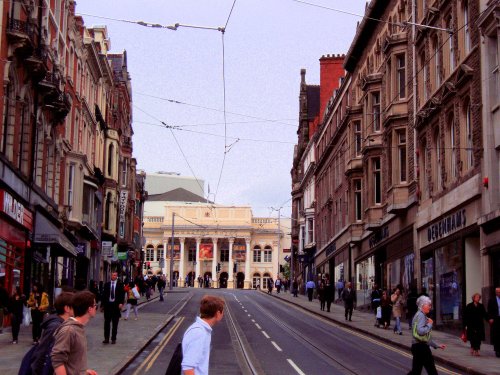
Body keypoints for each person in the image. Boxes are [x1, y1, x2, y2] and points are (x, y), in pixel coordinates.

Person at [51, 290, 98, 375]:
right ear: (89, 309)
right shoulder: (69, 330)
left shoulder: (78, 328)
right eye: (95, 305)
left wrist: (83, 372)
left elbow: (72, 360)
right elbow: (57, 360)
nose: (96, 307)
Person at [31, 292, 74, 374]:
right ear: (67, 309)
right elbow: (42, 353)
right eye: (75, 306)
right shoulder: (55, 327)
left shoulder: (64, 325)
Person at [181, 295, 225, 375]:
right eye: (223, 312)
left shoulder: (202, 329)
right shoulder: (199, 333)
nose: (223, 314)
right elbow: (188, 367)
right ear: (218, 313)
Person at [407, 295, 445, 375]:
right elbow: (420, 331)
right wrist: (430, 324)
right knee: (432, 371)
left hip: (417, 346)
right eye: (429, 305)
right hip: (421, 348)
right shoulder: (421, 316)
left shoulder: (419, 315)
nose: (430, 307)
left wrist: (437, 345)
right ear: (422, 305)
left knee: (416, 372)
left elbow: (425, 337)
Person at [101, 271, 125, 344]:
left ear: (117, 276)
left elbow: (122, 295)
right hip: (108, 306)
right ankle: (106, 338)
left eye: (115, 275)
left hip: (116, 306)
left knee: (115, 324)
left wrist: (121, 303)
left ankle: (113, 339)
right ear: (110, 276)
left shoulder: (120, 285)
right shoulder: (107, 285)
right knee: (107, 323)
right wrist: (102, 305)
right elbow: (104, 295)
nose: (114, 276)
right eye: (113, 275)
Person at [487, 286, 500, 358]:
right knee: (497, 335)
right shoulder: (492, 300)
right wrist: (490, 318)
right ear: (495, 292)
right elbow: (489, 310)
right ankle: (497, 350)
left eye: (499, 292)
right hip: (495, 319)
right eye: (497, 292)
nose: (499, 293)